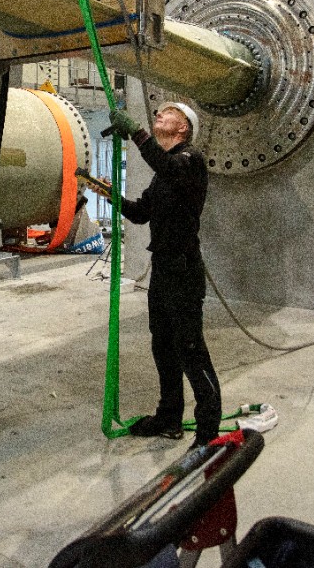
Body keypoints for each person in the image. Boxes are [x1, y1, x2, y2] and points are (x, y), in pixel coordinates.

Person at [108, 102, 222, 449]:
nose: (159, 114)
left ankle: (207, 434)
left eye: (168, 113)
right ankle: (169, 418)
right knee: (163, 347)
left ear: (184, 128)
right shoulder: (163, 173)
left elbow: (168, 166)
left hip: (183, 271)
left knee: (191, 350)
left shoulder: (190, 161)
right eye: (158, 112)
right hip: (162, 270)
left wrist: (137, 134)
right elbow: (142, 213)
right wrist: (108, 194)